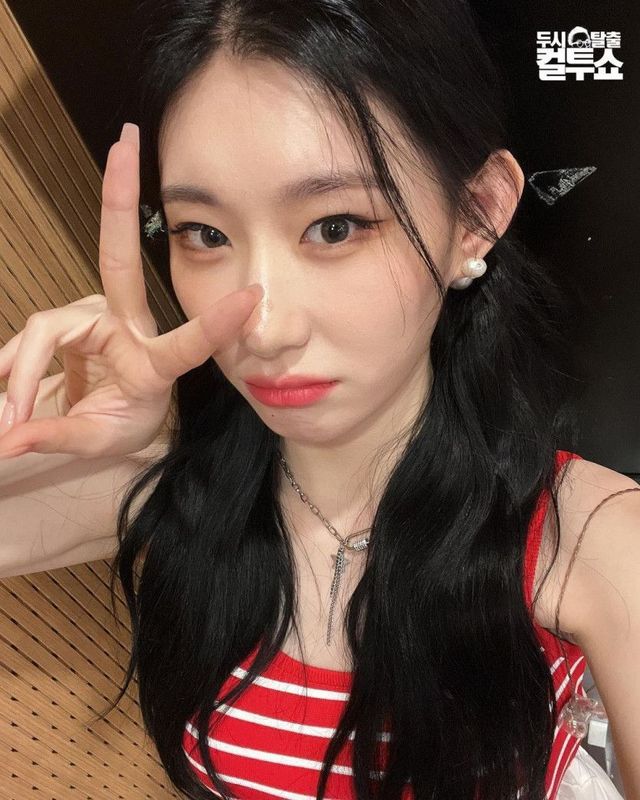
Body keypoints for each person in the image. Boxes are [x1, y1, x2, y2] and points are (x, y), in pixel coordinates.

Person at [0, 1, 638, 799]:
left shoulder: (591, 537)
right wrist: (36, 432)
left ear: (475, 216)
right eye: (205, 234)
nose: (263, 330)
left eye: (335, 227)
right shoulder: (184, 493)